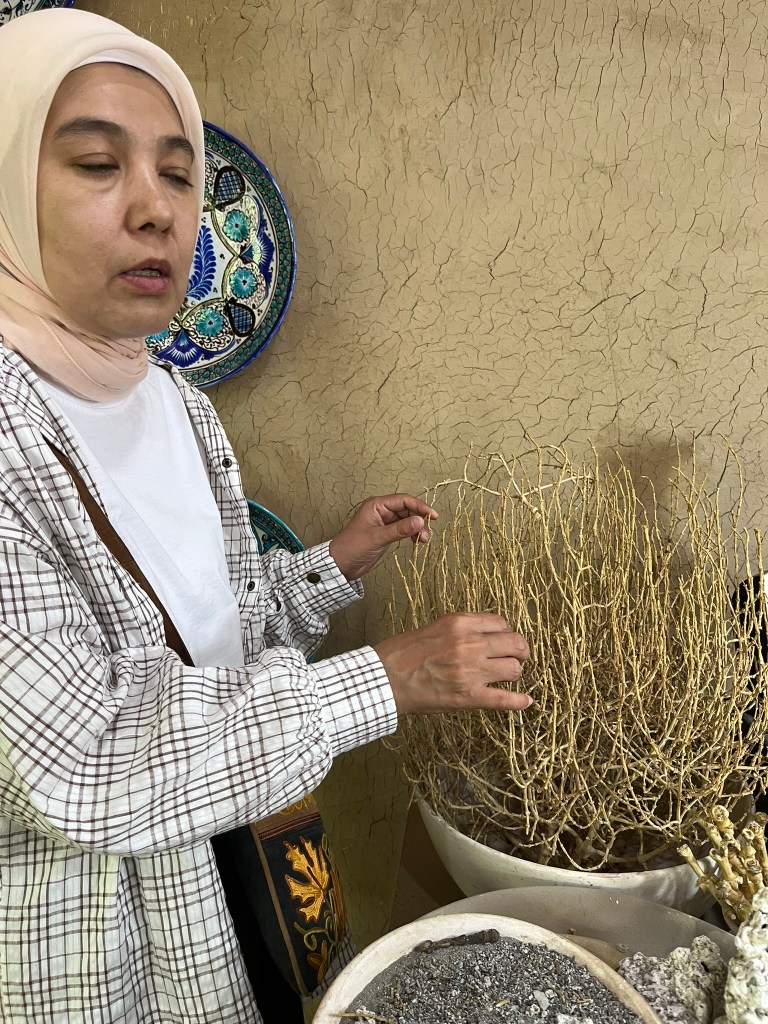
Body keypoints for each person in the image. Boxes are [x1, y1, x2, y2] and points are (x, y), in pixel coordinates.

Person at [0, 10, 531, 1023]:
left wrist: (332, 564)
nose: (157, 211)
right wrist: (383, 680)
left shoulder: (173, 402)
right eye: (97, 165)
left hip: (242, 888)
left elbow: (218, 639)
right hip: (108, 954)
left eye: (177, 173)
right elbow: (82, 763)